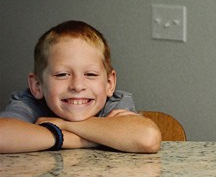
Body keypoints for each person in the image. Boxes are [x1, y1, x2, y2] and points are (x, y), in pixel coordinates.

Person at [0, 20, 161, 154]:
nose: (77, 86)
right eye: (62, 74)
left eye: (90, 74)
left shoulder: (112, 103)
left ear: (109, 84)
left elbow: (147, 138)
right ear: (37, 86)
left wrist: (64, 125)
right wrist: (76, 139)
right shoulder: (29, 103)